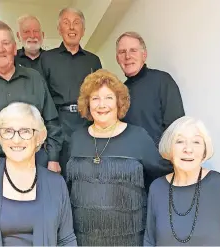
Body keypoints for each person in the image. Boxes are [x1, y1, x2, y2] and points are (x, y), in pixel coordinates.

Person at [66, 69, 172, 246]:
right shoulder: (76, 138)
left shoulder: (138, 137)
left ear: (118, 102)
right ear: (87, 104)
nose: (102, 105)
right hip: (84, 238)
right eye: (95, 98)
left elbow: (162, 174)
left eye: (108, 98)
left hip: (129, 237)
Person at [0, 20, 62, 186]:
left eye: (5, 43)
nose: (0, 49)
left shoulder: (35, 79)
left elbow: (51, 122)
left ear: (15, 48)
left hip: (35, 162)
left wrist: (53, 158)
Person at [0, 102, 77, 246]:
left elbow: (66, 240)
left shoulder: (56, 184)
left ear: (40, 137)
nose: (16, 139)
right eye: (8, 131)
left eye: (25, 131)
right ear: (0, 137)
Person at [40, 7, 102, 177]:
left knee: (86, 174)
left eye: (76, 23)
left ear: (83, 30)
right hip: (58, 123)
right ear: (60, 29)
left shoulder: (93, 60)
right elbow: (42, 97)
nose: (72, 28)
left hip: (86, 124)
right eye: (66, 23)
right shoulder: (47, 59)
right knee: (58, 176)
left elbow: (100, 96)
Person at [144, 116, 220, 246]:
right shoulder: (157, 188)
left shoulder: (218, 185)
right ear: (169, 148)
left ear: (204, 150)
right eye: (180, 141)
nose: (188, 149)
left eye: (196, 142)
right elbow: (149, 240)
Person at [116, 31, 185, 146]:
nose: (127, 56)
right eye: (122, 52)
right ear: (118, 58)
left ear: (144, 55)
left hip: (161, 162)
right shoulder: (119, 92)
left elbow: (177, 129)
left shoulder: (162, 81)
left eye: (133, 50)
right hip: (130, 162)